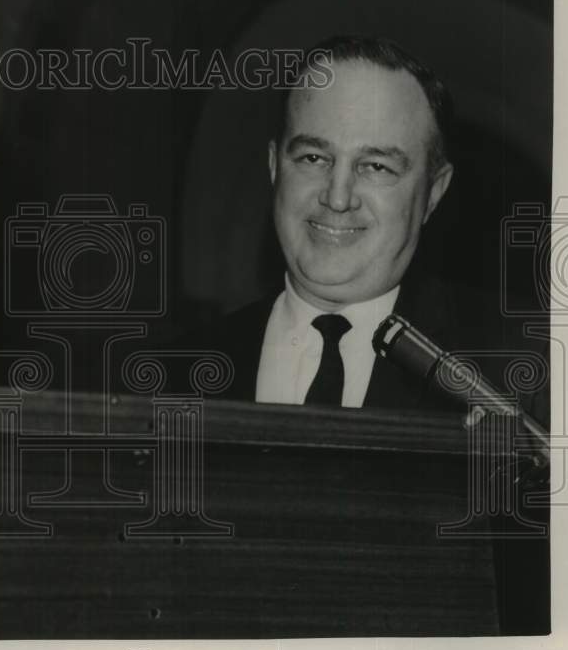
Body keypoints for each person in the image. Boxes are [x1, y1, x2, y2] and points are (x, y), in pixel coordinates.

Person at [193, 35, 516, 410]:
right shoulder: (173, 373)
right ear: (274, 167)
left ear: (433, 193)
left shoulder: (521, 371)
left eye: (377, 166)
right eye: (313, 158)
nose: (338, 197)